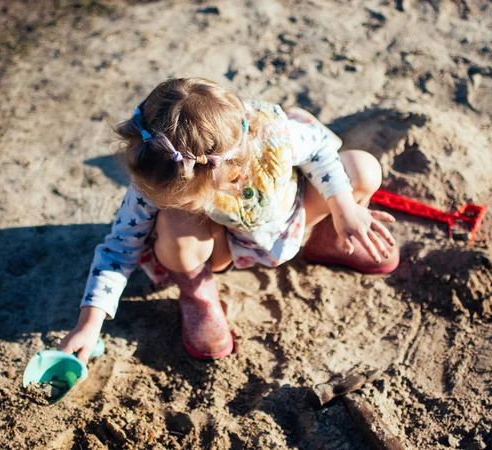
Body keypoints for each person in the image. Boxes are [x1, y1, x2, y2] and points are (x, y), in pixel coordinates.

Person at [59, 77, 398, 362]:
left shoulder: (273, 137)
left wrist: (344, 209)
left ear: (228, 169)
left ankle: (329, 236)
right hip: (228, 246)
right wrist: (88, 323)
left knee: (362, 168)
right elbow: (120, 248)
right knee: (174, 228)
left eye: (186, 200)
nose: (170, 203)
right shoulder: (158, 169)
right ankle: (197, 293)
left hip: (293, 216)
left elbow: (322, 149)